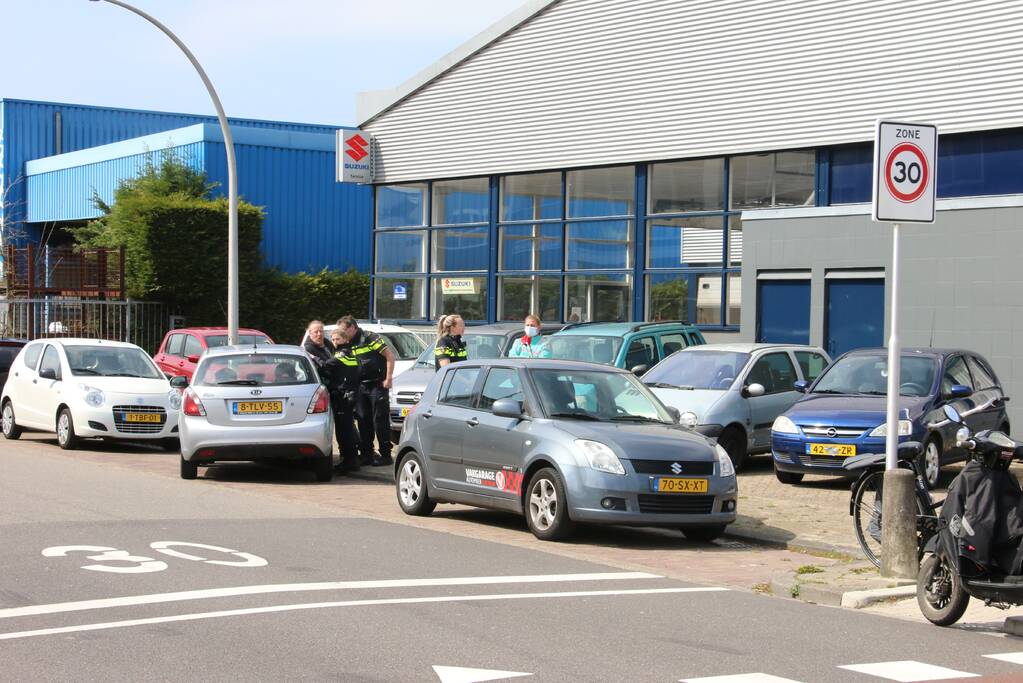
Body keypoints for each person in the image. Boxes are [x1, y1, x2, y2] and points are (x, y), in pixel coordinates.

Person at [335, 315, 395, 467]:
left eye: (344, 330)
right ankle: (367, 454)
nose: (342, 333)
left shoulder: (370, 338)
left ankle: (386, 455)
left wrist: (388, 379)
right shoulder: (347, 342)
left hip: (377, 385)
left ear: (352, 328)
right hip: (360, 386)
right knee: (363, 420)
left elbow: (389, 356)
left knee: (379, 420)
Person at [325, 329, 362, 473]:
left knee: (344, 430)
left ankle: (349, 461)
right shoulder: (349, 352)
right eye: (333, 339)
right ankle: (350, 459)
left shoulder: (342, 353)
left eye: (337, 339)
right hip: (348, 394)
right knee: (348, 428)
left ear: (346, 340)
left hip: (343, 396)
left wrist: (313, 358)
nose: (335, 342)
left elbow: (326, 366)